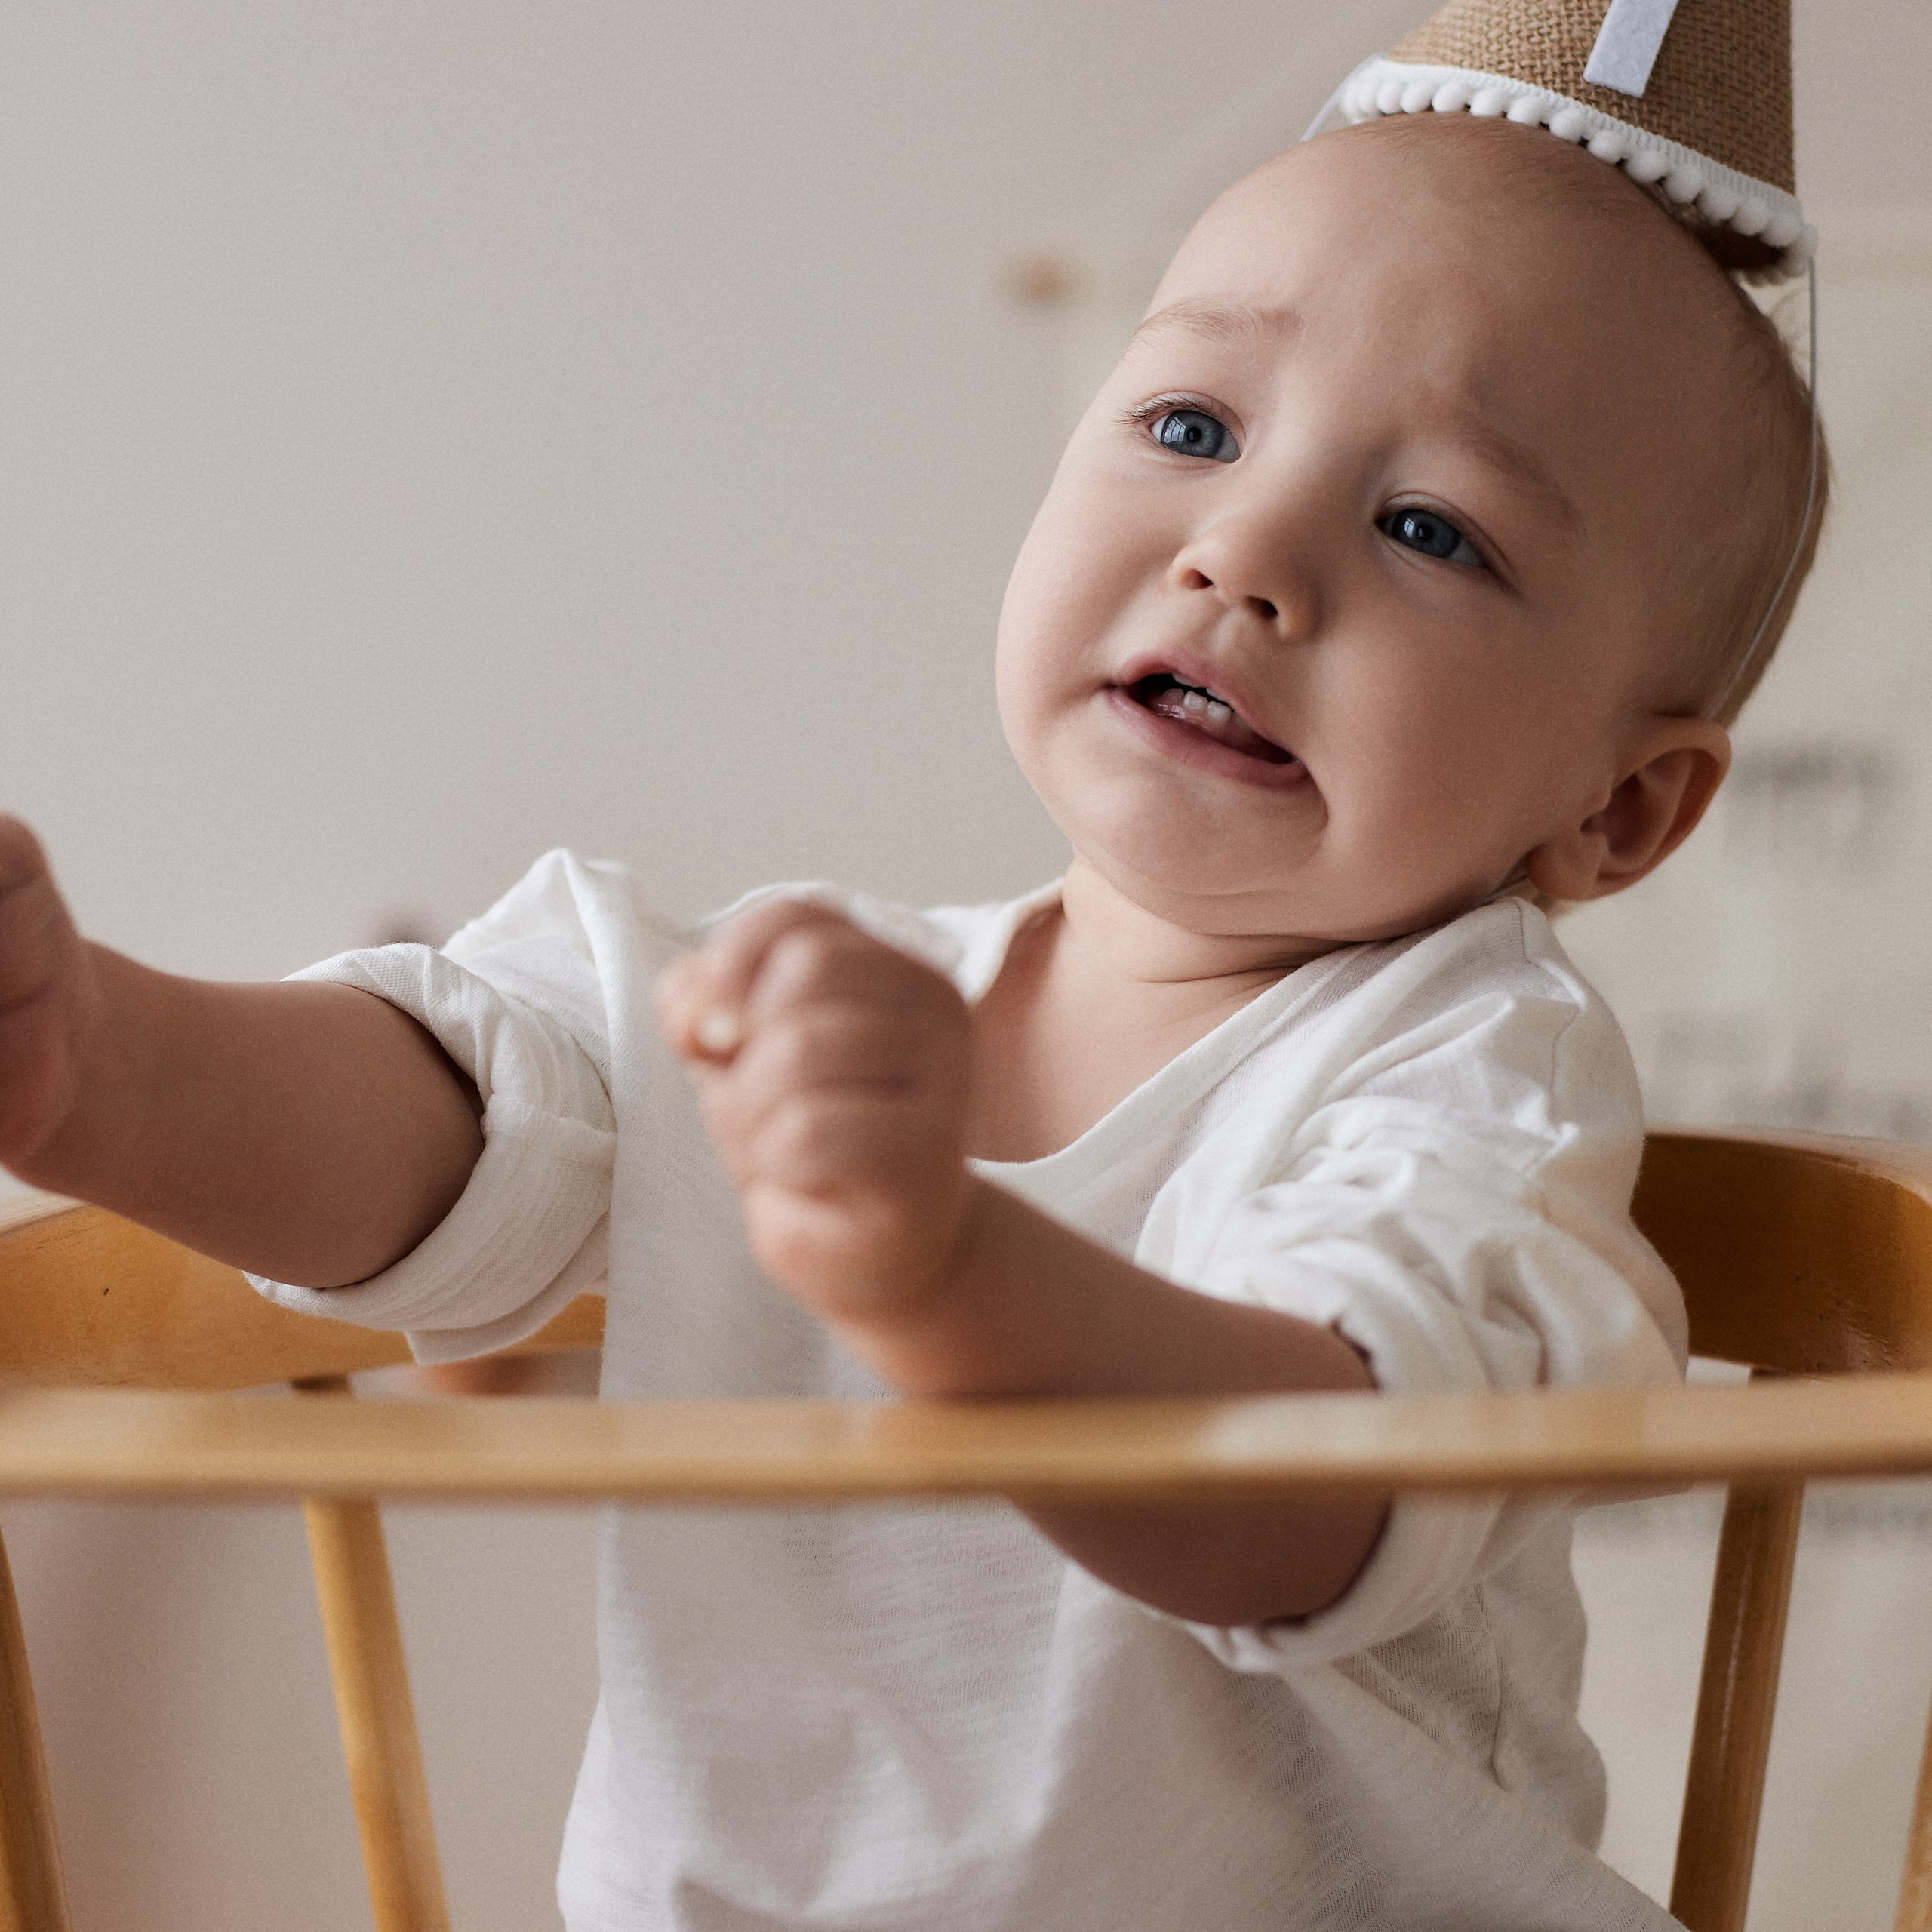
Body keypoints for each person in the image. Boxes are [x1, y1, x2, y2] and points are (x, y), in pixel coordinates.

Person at [0, 4, 1828, 1924]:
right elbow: (447, 1130)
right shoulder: (789, 998)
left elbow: (1321, 1492)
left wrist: (945, 1278)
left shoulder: (1470, 1081)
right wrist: (108, 1065)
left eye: (1430, 528)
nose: (1247, 549)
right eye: (1192, 424)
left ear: (1616, 811)